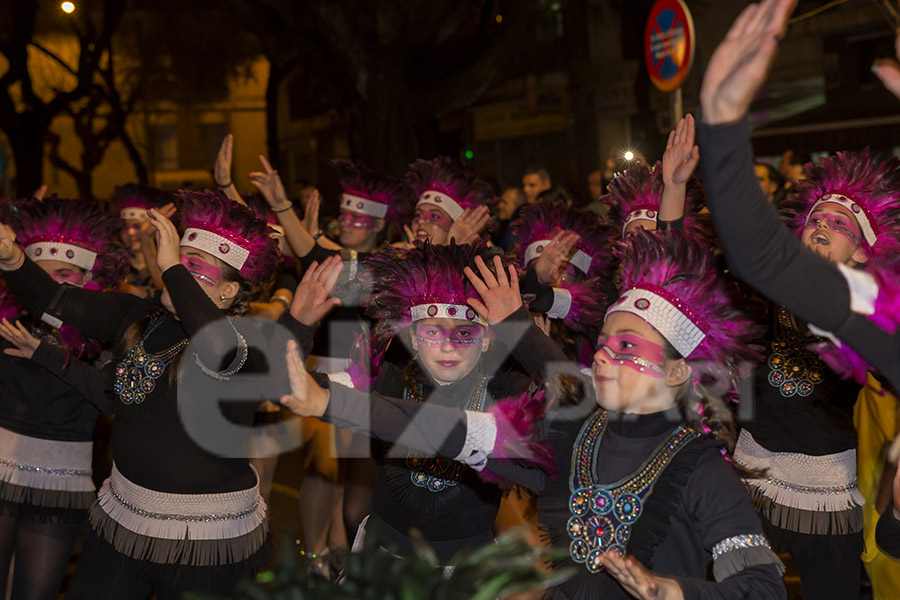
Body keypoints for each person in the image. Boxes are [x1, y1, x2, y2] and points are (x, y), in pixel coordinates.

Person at [280, 231, 787, 599]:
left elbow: (762, 585)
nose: (606, 356)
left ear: (679, 373)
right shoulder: (569, 439)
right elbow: (445, 430)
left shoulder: (701, 469)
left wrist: (674, 592)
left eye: (627, 346)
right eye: (604, 345)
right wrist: (326, 402)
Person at [0, 191, 338, 599]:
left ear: (229, 293)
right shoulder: (136, 316)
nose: (173, 268)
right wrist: (12, 259)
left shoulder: (249, 341)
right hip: (123, 519)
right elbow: (52, 301)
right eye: (177, 257)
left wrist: (173, 267)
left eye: (192, 266)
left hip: (204, 542)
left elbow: (218, 348)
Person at [0, 196, 126, 600]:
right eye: (42, 274)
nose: (52, 284)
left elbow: (109, 396)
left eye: (65, 275)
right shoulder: (7, 320)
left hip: (63, 476)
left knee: (34, 594)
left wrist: (46, 354)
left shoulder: (106, 331)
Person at [406, 157, 497, 246]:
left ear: (457, 227)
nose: (421, 221)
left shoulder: (476, 260)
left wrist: (454, 250)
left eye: (434, 216)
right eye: (418, 215)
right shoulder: (399, 256)